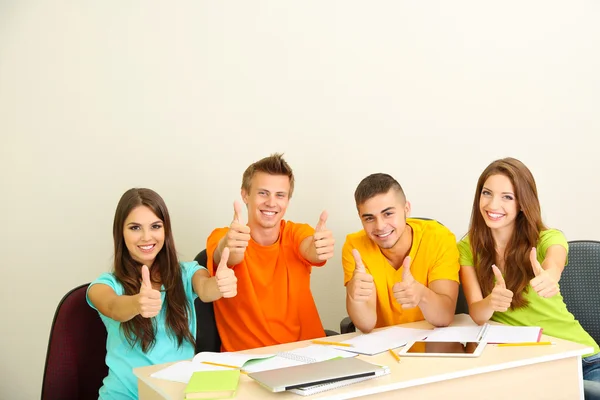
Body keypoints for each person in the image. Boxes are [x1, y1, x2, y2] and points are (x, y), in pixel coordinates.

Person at [457, 157, 600, 398]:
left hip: (583, 359)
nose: (493, 204)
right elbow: (477, 314)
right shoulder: (466, 248)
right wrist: (492, 302)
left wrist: (551, 275)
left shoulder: (546, 238)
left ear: (523, 203)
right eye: (487, 193)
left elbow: (554, 261)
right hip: (531, 364)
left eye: (507, 197)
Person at [87, 188, 237, 400]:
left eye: (155, 226)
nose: (146, 237)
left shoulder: (187, 273)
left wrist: (220, 284)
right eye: (135, 227)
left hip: (178, 395)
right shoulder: (105, 285)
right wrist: (137, 304)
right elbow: (112, 306)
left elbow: (205, 289)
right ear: (120, 232)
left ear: (165, 231)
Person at [205, 153, 335, 352]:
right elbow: (227, 255)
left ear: (288, 201)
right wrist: (231, 246)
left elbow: (309, 248)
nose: (271, 203)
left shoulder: (296, 233)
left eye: (280, 195)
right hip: (249, 362)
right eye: (263, 193)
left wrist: (318, 248)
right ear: (245, 194)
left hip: (309, 355)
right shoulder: (223, 236)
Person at [342, 173, 460, 333]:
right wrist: (354, 297)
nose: (380, 226)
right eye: (369, 218)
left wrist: (421, 295)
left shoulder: (439, 238)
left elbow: (444, 317)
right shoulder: (354, 246)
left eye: (388, 214)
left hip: (433, 342)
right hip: (384, 348)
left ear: (406, 209)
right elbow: (366, 324)